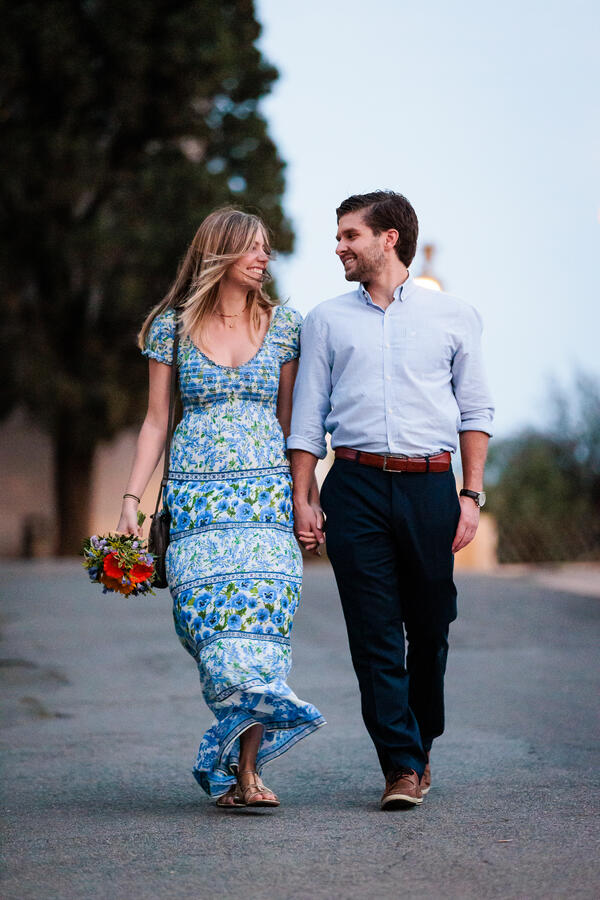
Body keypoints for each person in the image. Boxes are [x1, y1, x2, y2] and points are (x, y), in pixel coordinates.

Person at [289, 191, 494, 809]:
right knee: (374, 633)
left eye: (350, 235)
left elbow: (476, 412)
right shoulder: (325, 320)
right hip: (353, 487)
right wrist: (304, 494)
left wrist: (471, 494)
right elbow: (307, 419)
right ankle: (400, 767)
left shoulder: (454, 316)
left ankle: (420, 741)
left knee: (430, 627)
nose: (339, 247)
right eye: (338, 235)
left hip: (431, 485)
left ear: (389, 239)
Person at [117, 207, 325, 809]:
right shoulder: (172, 328)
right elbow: (156, 422)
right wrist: (130, 501)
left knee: (258, 633)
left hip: (264, 502)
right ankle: (238, 765)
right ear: (220, 253)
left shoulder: (286, 325)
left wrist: (303, 498)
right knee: (214, 633)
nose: (265, 258)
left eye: (268, 249)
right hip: (198, 504)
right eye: (253, 249)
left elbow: (293, 426)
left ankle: (247, 774)